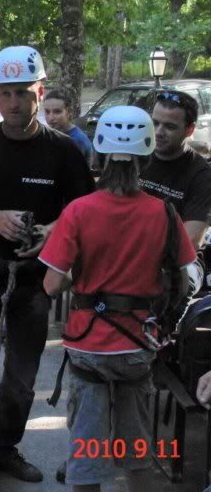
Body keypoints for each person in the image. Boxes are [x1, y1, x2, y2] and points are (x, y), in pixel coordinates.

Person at [0, 46, 95, 492]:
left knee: (22, 379)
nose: (13, 102)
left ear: (39, 92)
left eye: (22, 93)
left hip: (33, 281)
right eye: (4, 94)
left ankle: (0, 448)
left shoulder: (63, 152)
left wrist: (52, 231)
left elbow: (83, 211)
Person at [40, 106, 195, 492]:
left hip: (88, 347)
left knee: (87, 456)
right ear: (145, 157)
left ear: (101, 154)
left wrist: (81, 274)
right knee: (137, 453)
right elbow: (184, 275)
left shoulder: (78, 211)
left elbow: (51, 285)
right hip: (137, 347)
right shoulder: (164, 212)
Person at [140, 90, 211, 247]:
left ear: (190, 130)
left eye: (170, 127)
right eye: (155, 123)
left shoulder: (202, 176)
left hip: (172, 261)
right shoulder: (136, 157)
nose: (158, 132)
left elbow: (190, 241)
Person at [43, 90, 92, 161]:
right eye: (47, 112)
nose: (50, 118)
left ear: (68, 112)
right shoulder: (50, 134)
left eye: (57, 112)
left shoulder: (77, 140)